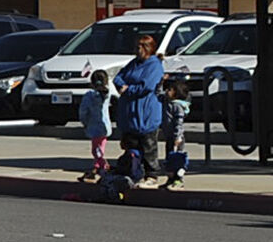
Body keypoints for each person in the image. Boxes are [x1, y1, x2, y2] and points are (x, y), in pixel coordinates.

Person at [114, 34, 164, 178]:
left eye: (143, 46)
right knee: (131, 147)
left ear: (150, 48)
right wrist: (121, 85)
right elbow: (119, 77)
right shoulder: (133, 63)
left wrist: (128, 89)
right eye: (137, 46)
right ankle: (132, 172)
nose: (139, 49)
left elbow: (147, 86)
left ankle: (152, 174)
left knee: (148, 147)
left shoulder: (154, 65)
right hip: (129, 115)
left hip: (145, 113)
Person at [77, 69, 112, 182]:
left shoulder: (89, 96)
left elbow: (83, 111)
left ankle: (103, 167)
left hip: (93, 127)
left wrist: (84, 122)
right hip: (105, 127)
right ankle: (96, 168)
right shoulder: (106, 95)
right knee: (99, 148)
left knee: (96, 151)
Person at [159, 76, 190, 189]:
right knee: (169, 160)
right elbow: (157, 93)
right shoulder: (166, 101)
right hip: (169, 136)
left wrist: (177, 137)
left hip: (177, 138)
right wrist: (161, 81)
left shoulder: (177, 106)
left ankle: (178, 180)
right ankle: (170, 179)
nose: (167, 91)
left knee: (176, 160)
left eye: (170, 89)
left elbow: (179, 123)